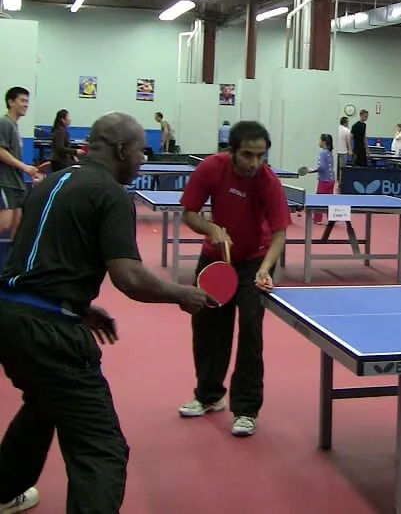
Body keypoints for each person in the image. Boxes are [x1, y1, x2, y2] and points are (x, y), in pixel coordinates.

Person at [0, 112, 215, 514]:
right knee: (101, 450)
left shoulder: (50, 183)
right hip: (52, 337)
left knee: (43, 404)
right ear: (121, 149)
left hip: (8, 318)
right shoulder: (111, 194)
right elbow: (130, 278)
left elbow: (34, 258)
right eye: (139, 151)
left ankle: (5, 488)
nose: (141, 160)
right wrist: (182, 294)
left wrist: (77, 308)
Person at [177, 120, 292, 437]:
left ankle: (246, 410)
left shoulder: (268, 181)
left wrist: (265, 268)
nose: (255, 162)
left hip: (254, 260)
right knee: (207, 328)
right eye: (247, 155)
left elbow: (280, 233)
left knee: (251, 332)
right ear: (231, 151)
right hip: (214, 259)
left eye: (261, 155)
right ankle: (209, 395)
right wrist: (211, 229)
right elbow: (188, 212)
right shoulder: (211, 168)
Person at [0, 87, 38, 241]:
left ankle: (13, 264)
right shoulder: (4, 123)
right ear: (11, 102)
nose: (25, 104)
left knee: (18, 226)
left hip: (17, 183)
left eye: (27, 101)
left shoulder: (15, 126)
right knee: (5, 223)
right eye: (22, 100)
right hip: (6, 182)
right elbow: (1, 151)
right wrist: (25, 167)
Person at [312, 133, 335, 223]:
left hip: (324, 180)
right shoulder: (329, 152)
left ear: (324, 142)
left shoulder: (322, 152)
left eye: (320, 140)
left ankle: (317, 219)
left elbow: (321, 167)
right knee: (329, 200)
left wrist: (311, 170)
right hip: (331, 180)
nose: (319, 142)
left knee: (319, 199)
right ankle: (331, 218)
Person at [336, 117, 352, 184]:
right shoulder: (347, 130)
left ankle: (336, 182)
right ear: (345, 123)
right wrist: (350, 150)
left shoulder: (336, 129)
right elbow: (348, 142)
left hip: (336, 151)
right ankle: (341, 182)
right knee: (342, 169)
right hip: (343, 151)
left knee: (336, 168)